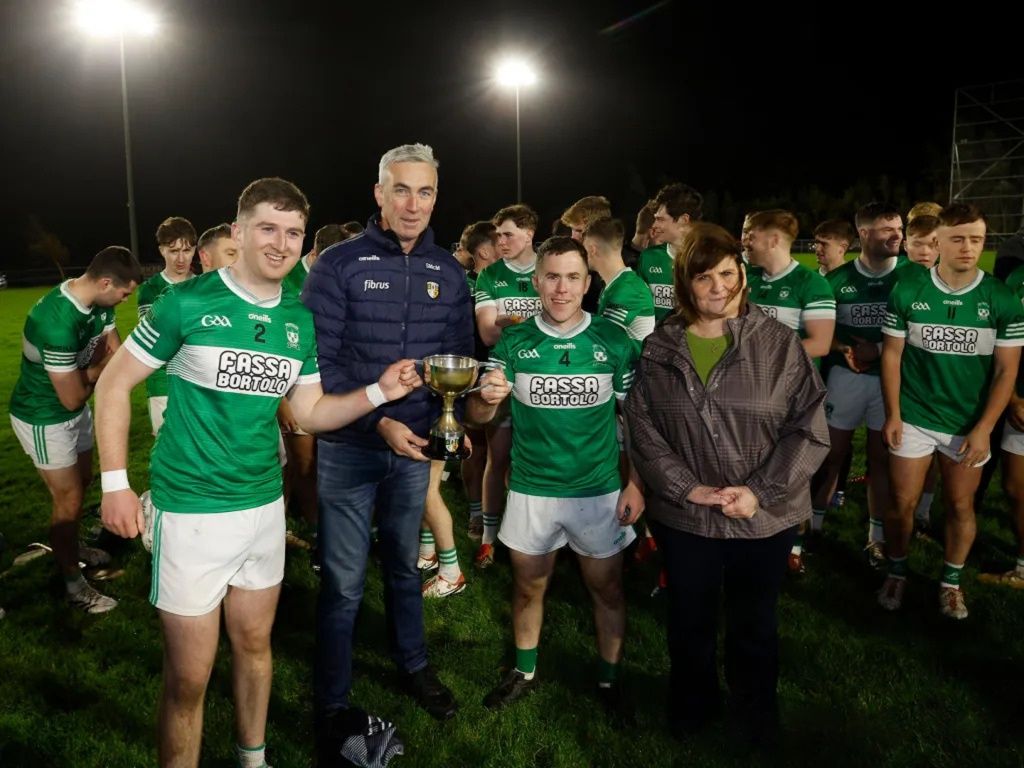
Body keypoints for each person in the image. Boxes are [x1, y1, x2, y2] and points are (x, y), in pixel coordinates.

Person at [97, 177, 423, 768]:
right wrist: (115, 484)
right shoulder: (187, 302)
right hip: (191, 511)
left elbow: (309, 412)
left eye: (293, 232)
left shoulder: (298, 323)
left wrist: (379, 391)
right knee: (189, 679)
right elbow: (114, 384)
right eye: (268, 229)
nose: (281, 244)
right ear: (240, 231)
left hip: (263, 510)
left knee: (255, 648)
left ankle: (254, 759)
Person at [624, 222, 829, 747]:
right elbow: (642, 427)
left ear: (742, 274)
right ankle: (692, 707)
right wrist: (685, 488)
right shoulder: (660, 346)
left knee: (754, 623)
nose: (718, 286)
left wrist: (759, 491)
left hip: (764, 515)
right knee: (689, 620)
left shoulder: (780, 344)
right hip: (687, 515)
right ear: (684, 283)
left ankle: (755, 712)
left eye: (727, 273)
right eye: (704, 277)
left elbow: (808, 428)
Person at [303, 144, 478, 726]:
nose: (412, 203)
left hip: (415, 451)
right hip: (351, 448)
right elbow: (319, 364)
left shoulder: (449, 272)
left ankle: (413, 664)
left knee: (404, 567)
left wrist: (462, 413)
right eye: (400, 189)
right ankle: (332, 699)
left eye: (424, 191)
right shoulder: (339, 264)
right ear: (378, 193)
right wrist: (378, 419)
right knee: (345, 582)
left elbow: (458, 360)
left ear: (436, 196)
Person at [476, 236, 643, 721]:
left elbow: (637, 422)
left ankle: (610, 678)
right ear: (537, 282)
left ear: (588, 283)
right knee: (529, 587)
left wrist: (638, 484)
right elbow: (476, 414)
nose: (562, 288)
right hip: (532, 489)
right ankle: (524, 671)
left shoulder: (614, 343)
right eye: (552, 277)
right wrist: (486, 396)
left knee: (607, 588)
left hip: (598, 491)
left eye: (573, 277)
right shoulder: (514, 342)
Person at [880, 202, 1024, 619]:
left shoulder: (1000, 298)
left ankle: (951, 582)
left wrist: (984, 428)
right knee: (902, 503)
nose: (967, 247)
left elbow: (1005, 371)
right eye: (958, 238)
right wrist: (893, 413)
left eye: (976, 240)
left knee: (961, 506)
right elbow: (892, 356)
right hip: (914, 416)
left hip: (967, 424)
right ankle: (897, 571)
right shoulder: (908, 290)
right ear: (937, 240)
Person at [8, 245, 141, 613]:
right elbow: (71, 397)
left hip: (75, 408)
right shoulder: (56, 321)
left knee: (82, 485)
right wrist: (99, 372)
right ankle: (73, 584)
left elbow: (113, 347)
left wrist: (103, 368)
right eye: (124, 293)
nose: (125, 301)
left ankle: (73, 548)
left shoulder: (101, 301)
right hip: (44, 416)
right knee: (66, 502)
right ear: (104, 282)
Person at [810, 202, 913, 563]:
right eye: (888, 229)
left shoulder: (912, 276)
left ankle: (876, 537)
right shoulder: (835, 280)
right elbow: (819, 327)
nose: (898, 236)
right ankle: (813, 528)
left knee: (879, 460)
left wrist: (879, 349)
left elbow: (919, 333)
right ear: (865, 234)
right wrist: (844, 347)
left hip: (891, 383)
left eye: (900, 229)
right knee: (831, 455)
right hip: (845, 378)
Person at [473, 204, 544, 568]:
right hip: (501, 371)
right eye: (498, 234)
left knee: (532, 460)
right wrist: (521, 321)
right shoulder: (489, 276)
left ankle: (527, 535)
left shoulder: (548, 268)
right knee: (496, 457)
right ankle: (488, 539)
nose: (500, 241)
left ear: (529, 234)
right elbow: (487, 333)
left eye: (508, 234)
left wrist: (512, 321)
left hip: (542, 376)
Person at [279, 223, 356, 532]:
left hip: (328, 379)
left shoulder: (339, 274)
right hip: (291, 381)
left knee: (319, 460)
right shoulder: (285, 279)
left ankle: (314, 525)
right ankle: (308, 526)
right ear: (314, 253)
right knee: (299, 462)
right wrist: (281, 398)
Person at [136, 217, 197, 434]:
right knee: (166, 447)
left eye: (187, 250)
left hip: (198, 377)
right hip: (162, 379)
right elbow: (154, 340)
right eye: (173, 251)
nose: (181, 258)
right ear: (162, 250)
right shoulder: (151, 290)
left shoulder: (203, 284)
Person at [637, 183, 703, 322]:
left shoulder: (711, 260)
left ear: (684, 220)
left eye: (660, 219)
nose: (654, 225)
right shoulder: (648, 257)